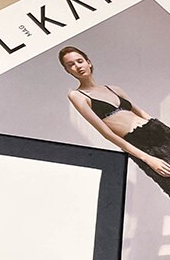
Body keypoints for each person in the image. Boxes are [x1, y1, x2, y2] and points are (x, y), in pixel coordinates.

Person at [59, 46, 170, 195]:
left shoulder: (114, 89)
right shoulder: (77, 95)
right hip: (142, 145)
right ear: (67, 71)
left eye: (80, 61)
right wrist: (147, 158)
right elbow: (107, 134)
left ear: (88, 62)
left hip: (160, 132)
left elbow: (143, 113)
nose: (77, 66)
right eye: (71, 65)